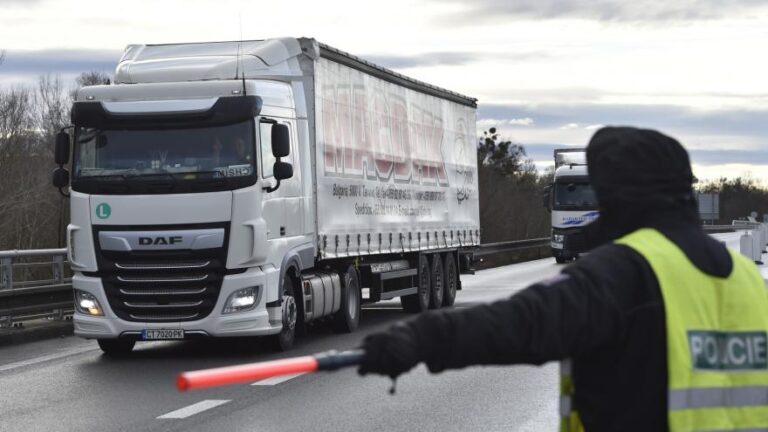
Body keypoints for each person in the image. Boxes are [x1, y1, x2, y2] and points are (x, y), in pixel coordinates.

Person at [358, 126, 768, 431]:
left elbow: (522, 322)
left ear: (617, 194)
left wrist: (418, 339)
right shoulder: (748, 281)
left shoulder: (625, 272)